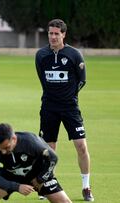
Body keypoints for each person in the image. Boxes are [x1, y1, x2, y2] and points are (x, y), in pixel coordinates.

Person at [35, 19, 94, 202]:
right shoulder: (41, 55)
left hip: (70, 108)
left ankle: (86, 187)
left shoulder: (74, 54)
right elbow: (43, 79)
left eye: (56, 34)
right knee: (48, 149)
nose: (53, 37)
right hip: (49, 108)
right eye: (50, 33)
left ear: (63, 35)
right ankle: (47, 185)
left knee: (81, 146)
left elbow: (82, 80)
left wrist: (69, 96)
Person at [0, 123, 72, 203]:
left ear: (14, 139)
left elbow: (53, 158)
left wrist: (40, 179)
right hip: (12, 175)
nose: (3, 152)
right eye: (0, 148)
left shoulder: (31, 142)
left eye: (6, 147)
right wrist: (17, 187)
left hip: (36, 174)